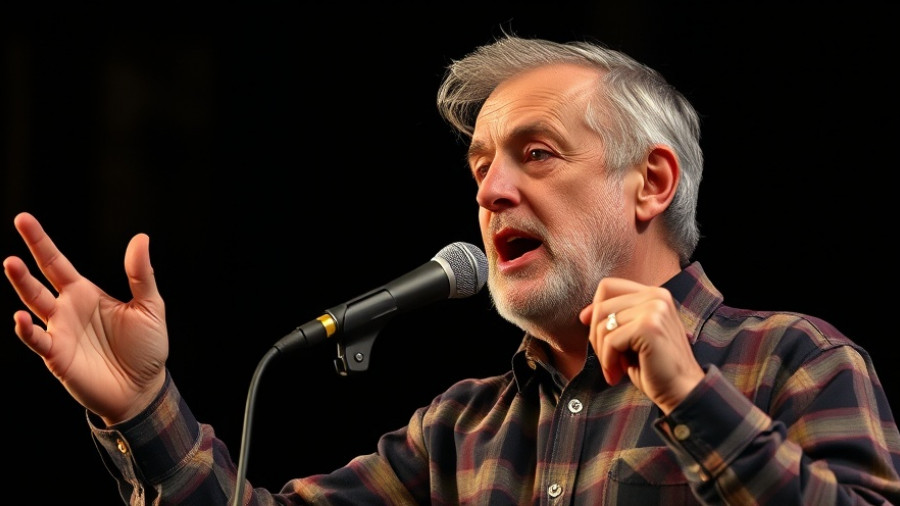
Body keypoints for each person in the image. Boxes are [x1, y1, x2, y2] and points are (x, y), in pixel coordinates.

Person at [4, 33, 900, 505]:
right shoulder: (460, 429)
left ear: (651, 182)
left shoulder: (795, 363)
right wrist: (141, 407)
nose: (494, 190)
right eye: (481, 169)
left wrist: (696, 402)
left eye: (536, 155)